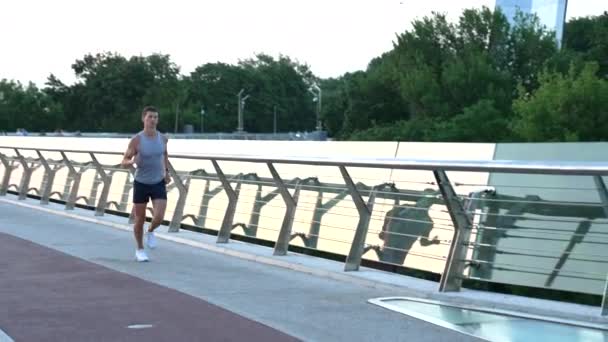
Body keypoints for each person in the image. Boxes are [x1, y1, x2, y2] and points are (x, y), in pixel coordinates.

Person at [121, 106, 171, 262]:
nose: (153, 120)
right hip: (141, 183)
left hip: (158, 182)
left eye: (156, 117)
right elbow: (124, 162)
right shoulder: (137, 140)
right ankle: (140, 249)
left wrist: (167, 172)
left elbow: (164, 155)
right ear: (143, 118)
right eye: (150, 117)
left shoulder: (163, 138)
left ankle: (150, 231)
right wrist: (132, 161)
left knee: (159, 217)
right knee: (139, 219)